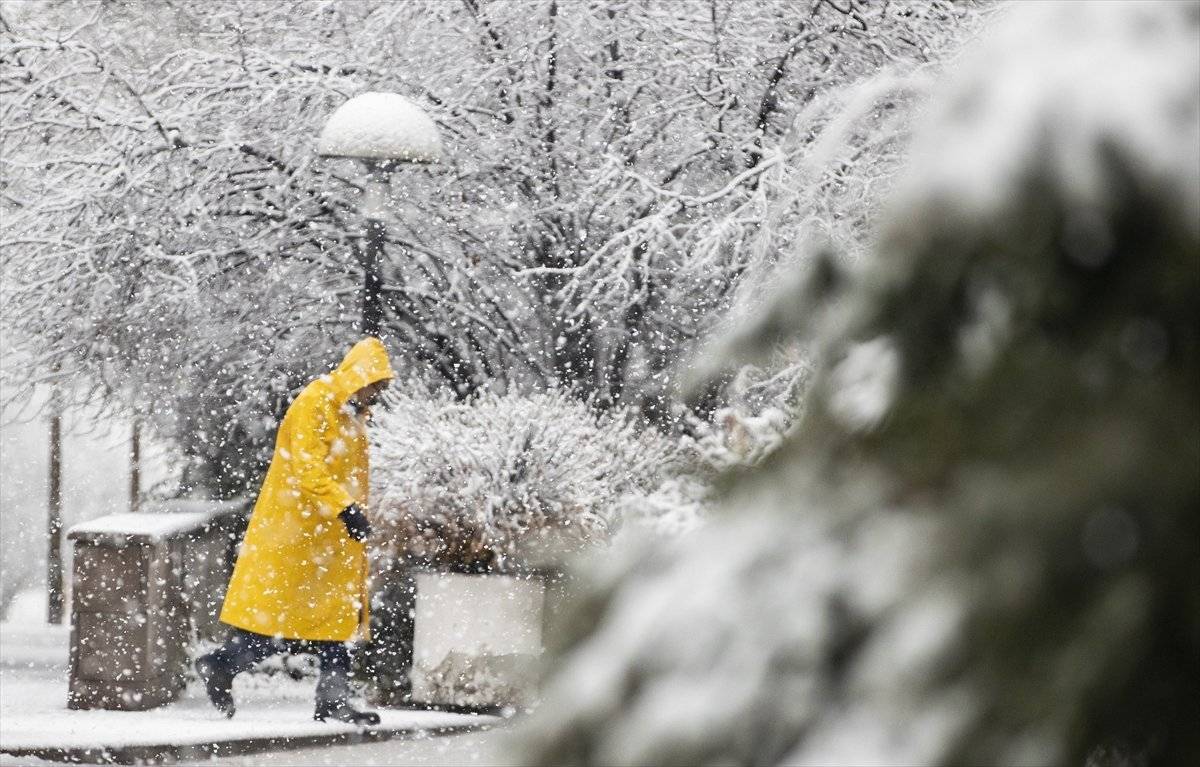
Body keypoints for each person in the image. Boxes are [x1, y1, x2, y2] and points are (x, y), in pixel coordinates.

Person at [196, 337, 395, 724]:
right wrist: (345, 509)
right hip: (297, 536)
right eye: (375, 386)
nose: (376, 395)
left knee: (334, 622)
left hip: (326, 539)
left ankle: (332, 698)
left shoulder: (349, 414)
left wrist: (349, 513)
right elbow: (307, 468)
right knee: (278, 623)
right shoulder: (317, 403)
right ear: (359, 377)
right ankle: (222, 664)